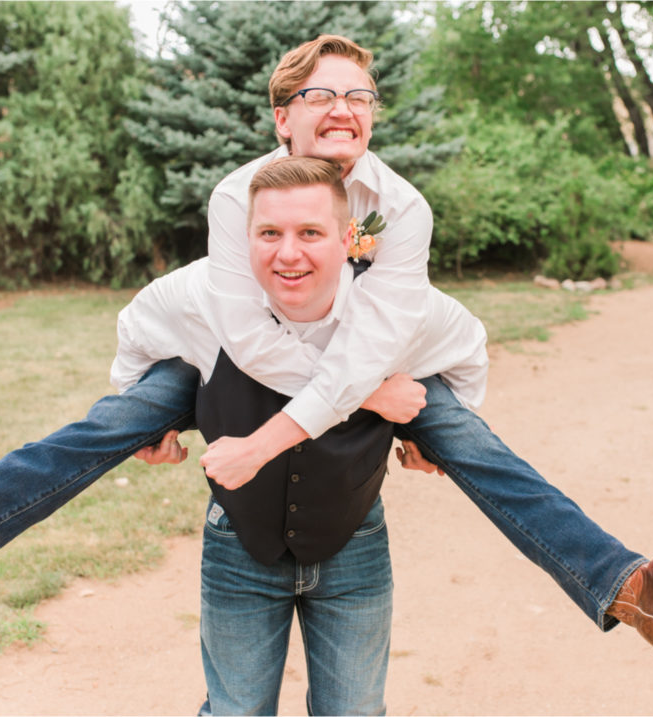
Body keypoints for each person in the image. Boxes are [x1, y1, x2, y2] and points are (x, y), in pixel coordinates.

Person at [0, 34, 653, 663]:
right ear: (284, 117)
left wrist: (392, 398)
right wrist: (367, 394)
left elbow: (385, 336)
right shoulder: (236, 195)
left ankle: (632, 591)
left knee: (467, 437)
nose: (345, 108)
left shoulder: (402, 209)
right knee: (110, 422)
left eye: (359, 95)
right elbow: (244, 340)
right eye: (322, 96)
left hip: (364, 363)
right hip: (222, 361)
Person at [121, 154, 488, 714]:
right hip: (238, 547)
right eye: (269, 232)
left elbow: (465, 344)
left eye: (310, 233)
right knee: (233, 711)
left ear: (347, 240)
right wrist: (141, 419)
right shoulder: (211, 303)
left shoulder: (390, 310)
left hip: (355, 548)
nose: (288, 253)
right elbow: (139, 327)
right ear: (243, 240)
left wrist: (435, 434)